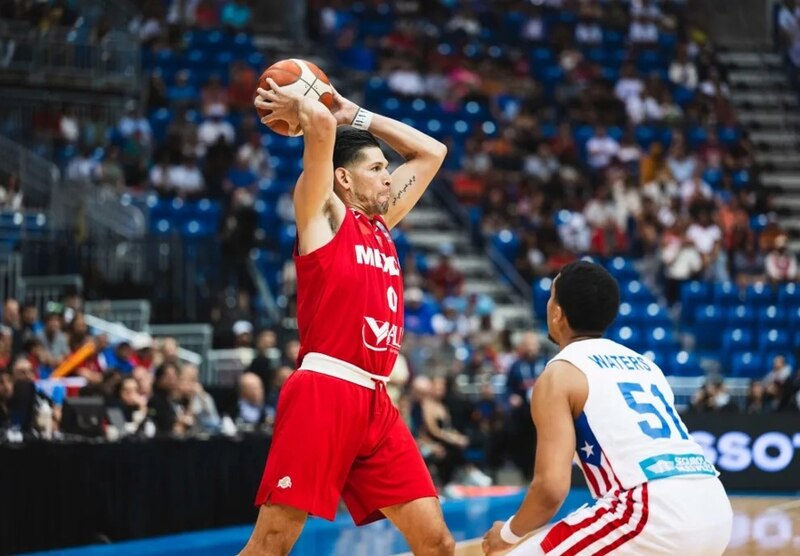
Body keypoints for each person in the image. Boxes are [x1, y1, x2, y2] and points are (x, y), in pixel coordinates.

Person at [242, 72, 452, 555]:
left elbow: (432, 153)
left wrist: (355, 114)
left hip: (376, 402)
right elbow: (316, 124)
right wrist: (308, 99)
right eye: (377, 168)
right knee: (273, 542)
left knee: (437, 543)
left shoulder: (379, 224)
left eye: (385, 168)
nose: (387, 175)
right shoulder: (322, 215)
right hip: (325, 389)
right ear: (343, 177)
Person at [482, 261, 732, 556]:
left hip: (650, 513)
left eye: (552, 297)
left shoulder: (560, 373)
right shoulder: (647, 366)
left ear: (557, 313)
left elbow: (550, 488)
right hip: (715, 507)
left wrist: (508, 534)